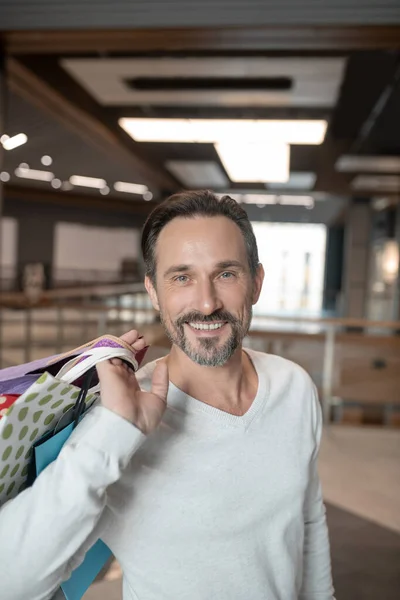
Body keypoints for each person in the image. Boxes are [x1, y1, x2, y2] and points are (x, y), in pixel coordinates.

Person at [0, 190, 335, 600]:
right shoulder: (119, 418)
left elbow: (308, 520)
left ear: (256, 283)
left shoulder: (294, 387)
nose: (207, 302)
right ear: (154, 292)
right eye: (181, 277)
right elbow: (10, 580)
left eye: (226, 274)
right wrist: (112, 433)